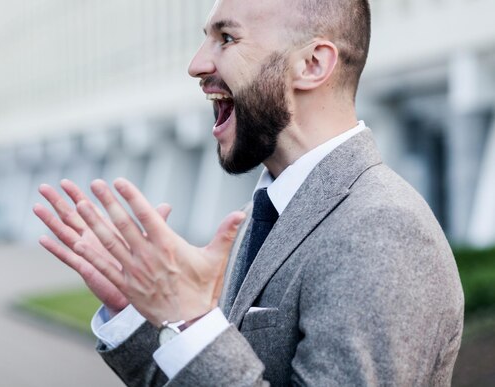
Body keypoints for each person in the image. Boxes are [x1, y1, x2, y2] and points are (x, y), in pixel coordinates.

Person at [34, 0, 464, 385]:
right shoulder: (262, 217)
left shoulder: (382, 229)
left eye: (226, 37)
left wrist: (196, 324)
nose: (197, 65)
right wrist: (140, 316)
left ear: (313, 64)